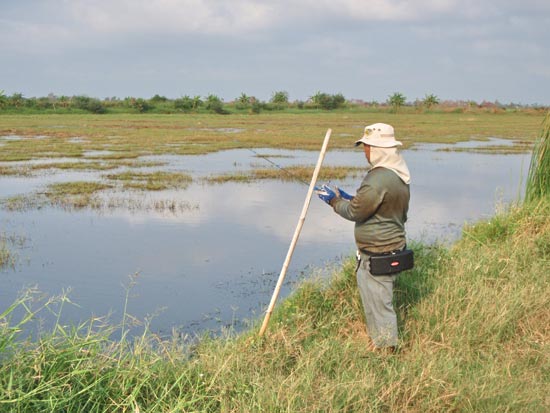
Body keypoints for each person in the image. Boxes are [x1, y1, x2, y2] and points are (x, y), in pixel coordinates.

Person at [317, 123, 411, 350]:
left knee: (380, 306)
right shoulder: (397, 173)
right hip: (391, 246)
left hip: (379, 252)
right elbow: (375, 205)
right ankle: (379, 343)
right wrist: (351, 196)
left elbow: (354, 212)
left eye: (367, 147)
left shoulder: (377, 178)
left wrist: (333, 200)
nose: (365, 152)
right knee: (376, 302)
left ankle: (387, 352)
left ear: (378, 149)